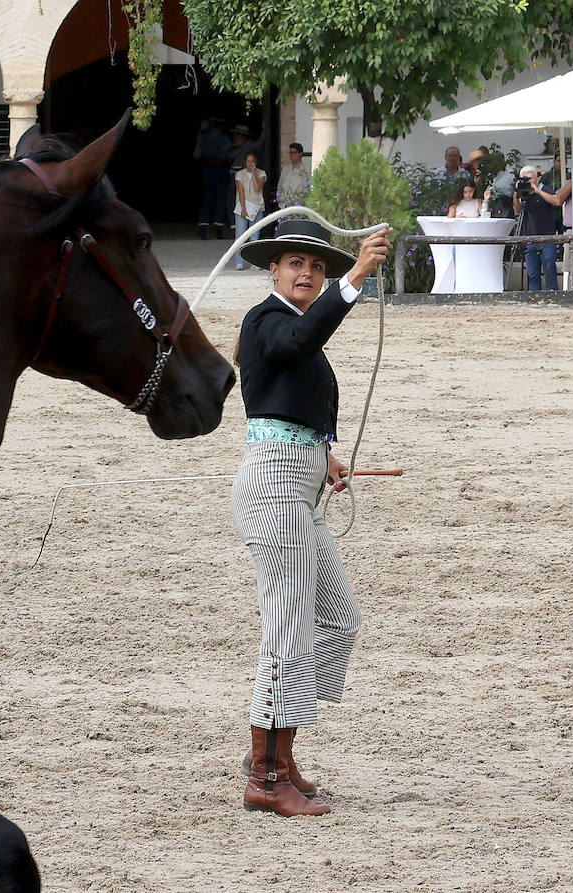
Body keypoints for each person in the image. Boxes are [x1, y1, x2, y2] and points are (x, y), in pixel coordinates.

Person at [230, 218, 389, 817]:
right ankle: (268, 775)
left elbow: (287, 401)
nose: (307, 274)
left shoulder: (294, 326)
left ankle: (276, 747)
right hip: (273, 485)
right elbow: (293, 349)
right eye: (296, 263)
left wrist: (323, 454)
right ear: (272, 270)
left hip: (299, 480)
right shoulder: (265, 321)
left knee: (339, 619)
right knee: (289, 627)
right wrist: (353, 279)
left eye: (317, 267)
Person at [512, 164, 563, 290]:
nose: (528, 182)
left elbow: (557, 202)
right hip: (529, 237)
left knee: (549, 269)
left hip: (547, 237)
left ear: (537, 178)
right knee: (532, 273)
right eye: (525, 179)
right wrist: (516, 194)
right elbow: (517, 211)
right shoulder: (523, 195)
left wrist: (538, 191)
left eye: (530, 179)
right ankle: (534, 297)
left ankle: (552, 295)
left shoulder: (546, 189)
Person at [193, 118, 230, 239]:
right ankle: (218, 229)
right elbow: (228, 155)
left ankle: (203, 228)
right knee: (221, 197)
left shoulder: (203, 137)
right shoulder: (224, 138)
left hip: (208, 167)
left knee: (208, 198)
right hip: (220, 167)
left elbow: (196, 155)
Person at [233, 153, 267, 270]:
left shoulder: (261, 173)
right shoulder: (239, 174)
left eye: (252, 161)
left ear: (255, 162)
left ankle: (255, 262)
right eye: (248, 161)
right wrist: (243, 209)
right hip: (242, 206)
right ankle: (239, 262)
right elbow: (241, 191)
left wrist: (253, 174)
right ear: (245, 162)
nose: (250, 163)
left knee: (255, 236)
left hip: (257, 207)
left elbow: (257, 188)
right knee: (240, 236)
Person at [275, 143, 311, 209]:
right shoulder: (286, 169)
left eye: (294, 152)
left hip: (300, 206)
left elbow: (310, 186)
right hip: (284, 205)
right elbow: (280, 186)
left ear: (300, 154)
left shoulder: (307, 169)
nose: (291, 155)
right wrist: (279, 199)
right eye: (290, 152)